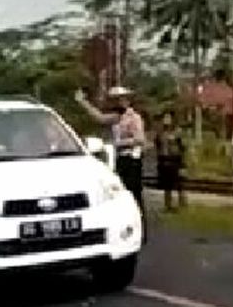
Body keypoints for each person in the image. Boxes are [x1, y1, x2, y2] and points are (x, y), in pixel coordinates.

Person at [76, 86, 146, 215]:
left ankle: (139, 221)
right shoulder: (116, 117)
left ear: (127, 101)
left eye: (120, 100)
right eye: (115, 100)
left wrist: (118, 144)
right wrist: (83, 102)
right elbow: (99, 118)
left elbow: (140, 139)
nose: (117, 103)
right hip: (121, 159)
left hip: (132, 159)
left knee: (134, 193)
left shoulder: (134, 117)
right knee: (121, 191)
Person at [154, 112, 187, 212]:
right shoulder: (160, 132)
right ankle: (167, 204)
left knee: (178, 183)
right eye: (165, 118)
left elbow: (182, 147)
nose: (166, 120)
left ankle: (182, 203)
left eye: (168, 118)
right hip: (164, 160)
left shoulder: (177, 132)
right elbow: (157, 144)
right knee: (166, 185)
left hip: (175, 159)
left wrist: (182, 162)